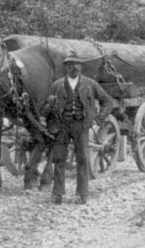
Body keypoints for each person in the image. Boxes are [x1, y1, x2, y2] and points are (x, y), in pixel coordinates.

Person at [42, 56, 110, 205]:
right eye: (70, 65)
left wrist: (98, 120)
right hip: (62, 126)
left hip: (81, 126)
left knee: (83, 159)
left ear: (82, 67)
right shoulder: (56, 85)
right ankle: (57, 193)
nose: (74, 67)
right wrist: (50, 105)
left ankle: (83, 194)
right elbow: (45, 110)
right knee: (59, 158)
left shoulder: (90, 84)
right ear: (65, 67)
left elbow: (107, 101)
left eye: (78, 64)